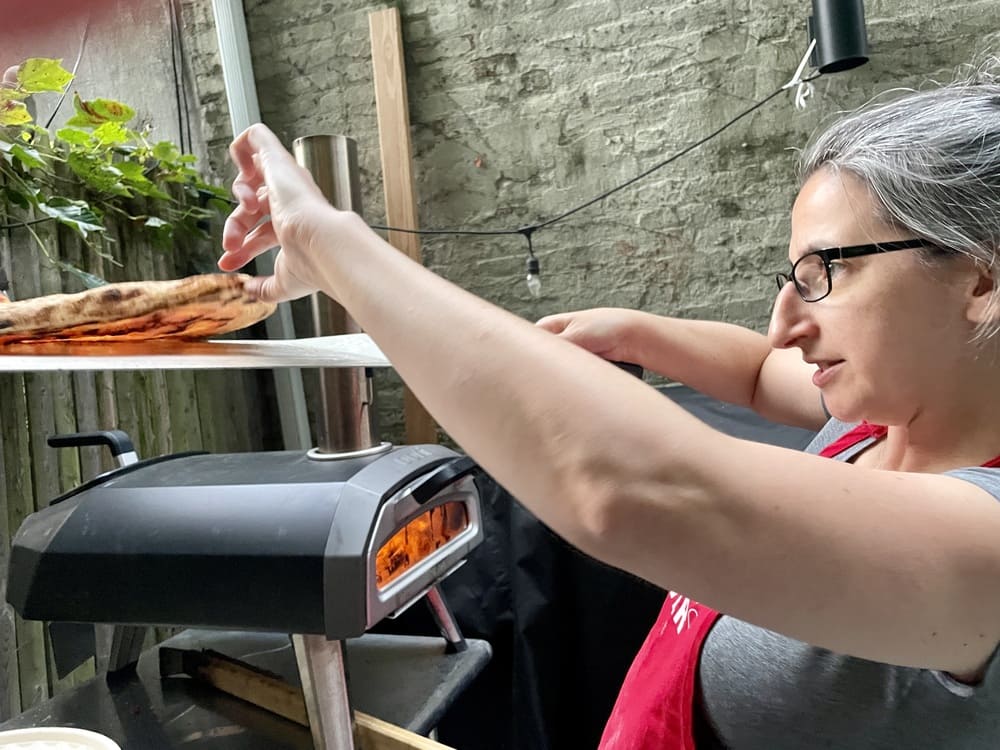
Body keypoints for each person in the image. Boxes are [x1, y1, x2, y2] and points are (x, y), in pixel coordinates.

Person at [219, 63, 1000, 749]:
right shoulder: (882, 411)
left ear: (980, 279)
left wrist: (335, 244)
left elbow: (632, 489)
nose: (786, 323)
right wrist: (638, 332)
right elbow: (762, 368)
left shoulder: (981, 546)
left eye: (826, 272)